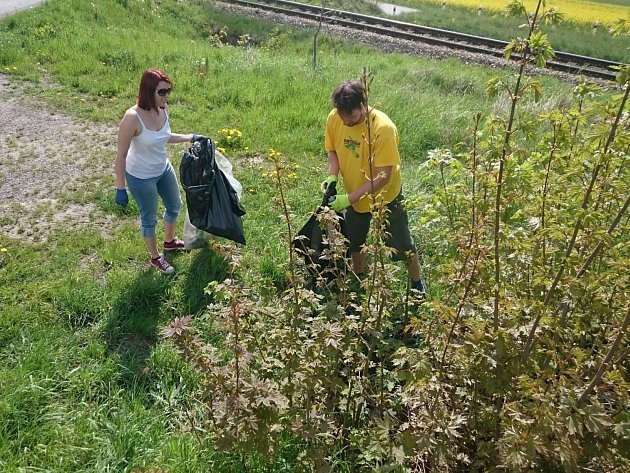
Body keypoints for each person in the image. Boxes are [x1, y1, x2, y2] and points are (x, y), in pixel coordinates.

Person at [322, 79, 425, 293]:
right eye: (342, 116)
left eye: (351, 117)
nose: (346, 122)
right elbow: (333, 150)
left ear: (363, 105)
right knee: (356, 242)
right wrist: (332, 176)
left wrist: (348, 199)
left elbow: (383, 176)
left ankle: (417, 284)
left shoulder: (382, 128)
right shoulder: (336, 118)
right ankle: (359, 279)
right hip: (355, 195)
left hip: (386, 197)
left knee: (402, 245)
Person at [115, 68, 203, 274]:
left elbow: (165, 136)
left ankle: (169, 241)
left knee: (175, 205)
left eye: (168, 91)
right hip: (141, 176)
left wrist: (191, 137)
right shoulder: (132, 118)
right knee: (149, 217)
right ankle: (155, 257)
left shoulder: (163, 109)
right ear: (148, 92)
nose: (166, 96)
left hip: (162, 169)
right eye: (162, 92)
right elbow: (120, 155)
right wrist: (120, 187)